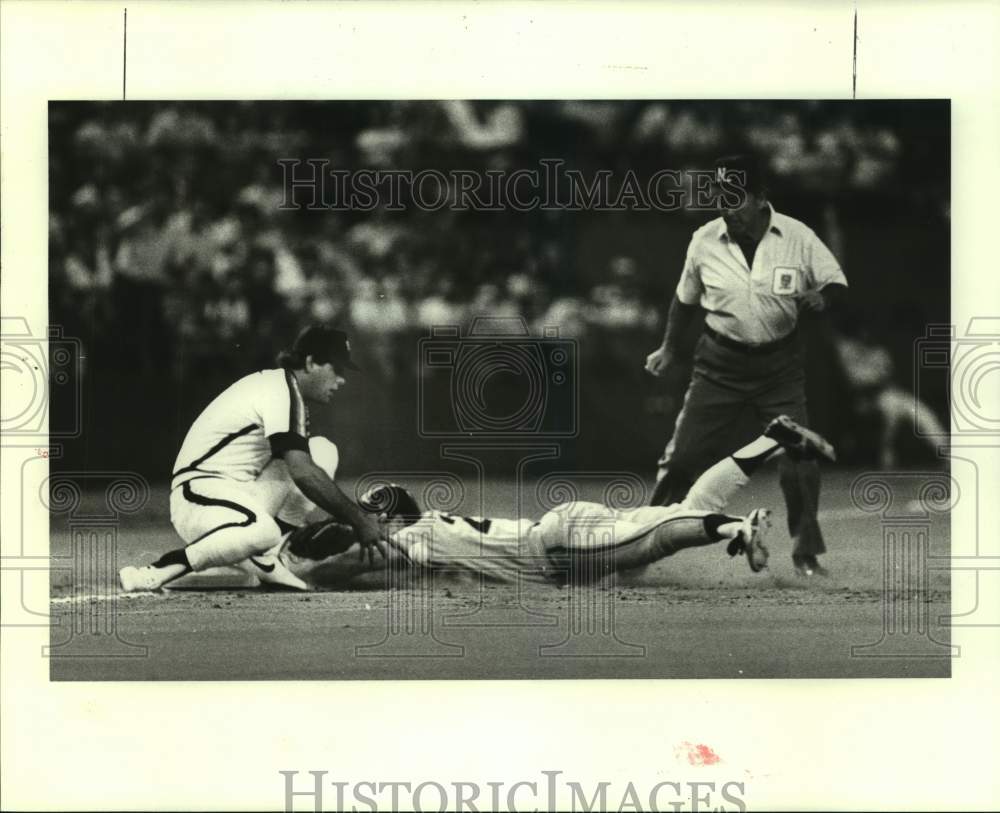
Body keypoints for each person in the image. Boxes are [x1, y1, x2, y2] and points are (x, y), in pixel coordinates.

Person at [277, 416, 835, 588]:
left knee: (660, 535)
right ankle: (770, 439)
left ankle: (734, 528)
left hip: (558, 548)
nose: (368, 524)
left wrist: (294, 567)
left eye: (374, 516)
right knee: (682, 510)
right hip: (567, 528)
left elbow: (348, 565)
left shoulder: (414, 538)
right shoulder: (425, 528)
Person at [645, 154, 848, 577]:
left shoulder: (797, 235)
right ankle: (643, 545)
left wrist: (823, 298)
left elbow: (835, 282)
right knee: (683, 459)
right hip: (718, 365)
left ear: (759, 198)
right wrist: (667, 348)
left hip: (780, 367)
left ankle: (805, 555)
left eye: (735, 198)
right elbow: (683, 302)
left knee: (800, 463)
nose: (726, 206)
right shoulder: (704, 239)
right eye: (720, 196)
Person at [118, 325, 385, 592]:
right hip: (198, 495)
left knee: (323, 450)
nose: (341, 380)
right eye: (336, 369)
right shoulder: (278, 390)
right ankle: (158, 570)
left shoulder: (287, 390)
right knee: (266, 527)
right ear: (311, 362)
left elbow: (300, 466)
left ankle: (270, 557)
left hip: (235, 493)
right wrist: (358, 519)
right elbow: (303, 473)